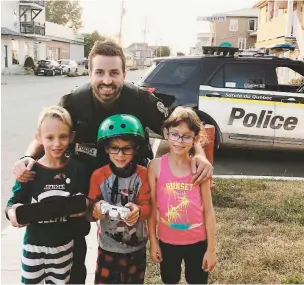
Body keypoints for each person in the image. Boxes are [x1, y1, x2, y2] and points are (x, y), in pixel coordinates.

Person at [12, 40, 213, 284]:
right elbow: (47, 130)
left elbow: (179, 126)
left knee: (128, 247)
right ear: (90, 73)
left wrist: (200, 154)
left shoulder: (140, 99)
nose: (107, 80)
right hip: (85, 183)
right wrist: (27, 158)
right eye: (100, 72)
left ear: (124, 74)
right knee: (73, 248)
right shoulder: (74, 100)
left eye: (114, 73)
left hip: (131, 183)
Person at [6, 106, 89, 284]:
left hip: (64, 247)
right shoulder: (29, 170)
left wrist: (85, 206)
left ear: (71, 137)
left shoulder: (77, 169)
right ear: (38, 137)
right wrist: (12, 213)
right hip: (33, 247)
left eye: (63, 137)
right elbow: (13, 203)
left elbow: (85, 201)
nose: (57, 143)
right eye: (49, 138)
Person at [148, 106, 216, 284]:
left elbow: (208, 211)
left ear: (195, 139)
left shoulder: (199, 169)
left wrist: (211, 249)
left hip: (198, 242)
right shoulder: (155, 167)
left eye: (187, 136)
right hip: (167, 242)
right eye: (175, 134)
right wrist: (153, 242)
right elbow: (152, 208)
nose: (179, 140)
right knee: (170, 280)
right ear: (166, 133)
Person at [88, 114, 150, 284]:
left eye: (127, 148)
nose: (120, 154)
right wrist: (95, 210)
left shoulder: (143, 175)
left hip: (136, 248)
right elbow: (90, 210)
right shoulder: (98, 176)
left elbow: (149, 207)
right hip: (108, 247)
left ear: (136, 148)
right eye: (114, 148)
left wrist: (139, 211)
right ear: (106, 148)